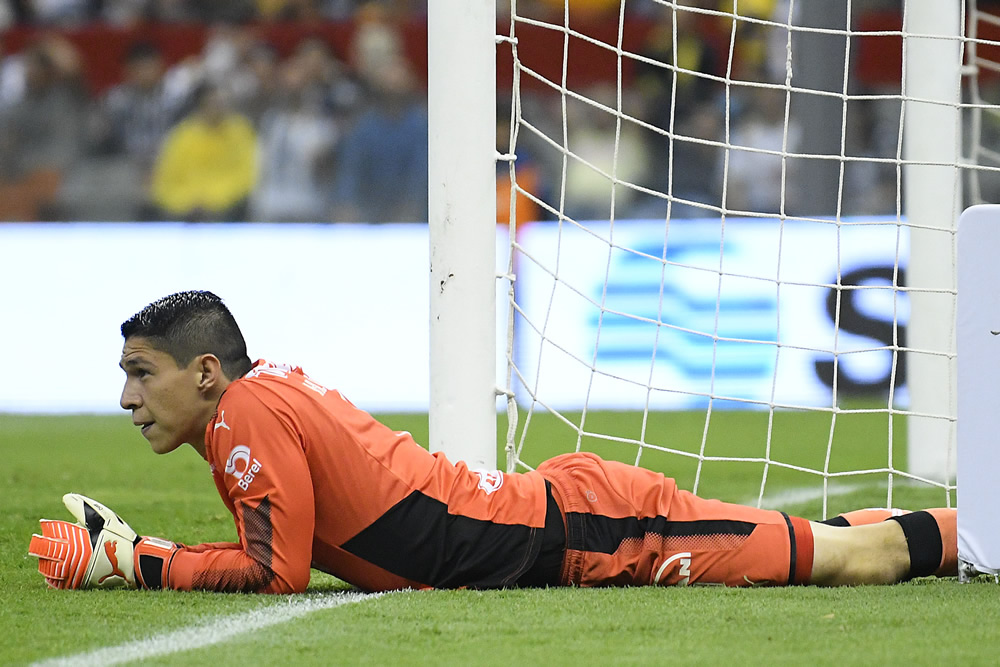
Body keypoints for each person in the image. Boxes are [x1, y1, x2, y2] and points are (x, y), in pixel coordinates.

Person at [28, 290, 958, 593]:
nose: (125, 396)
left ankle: (978, 527)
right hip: (558, 516)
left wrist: (139, 561)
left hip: (586, 530)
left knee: (855, 559)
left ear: (202, 373)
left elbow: (279, 571)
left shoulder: (246, 414)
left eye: (140, 373)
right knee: (821, 538)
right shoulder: (255, 400)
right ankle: (974, 525)